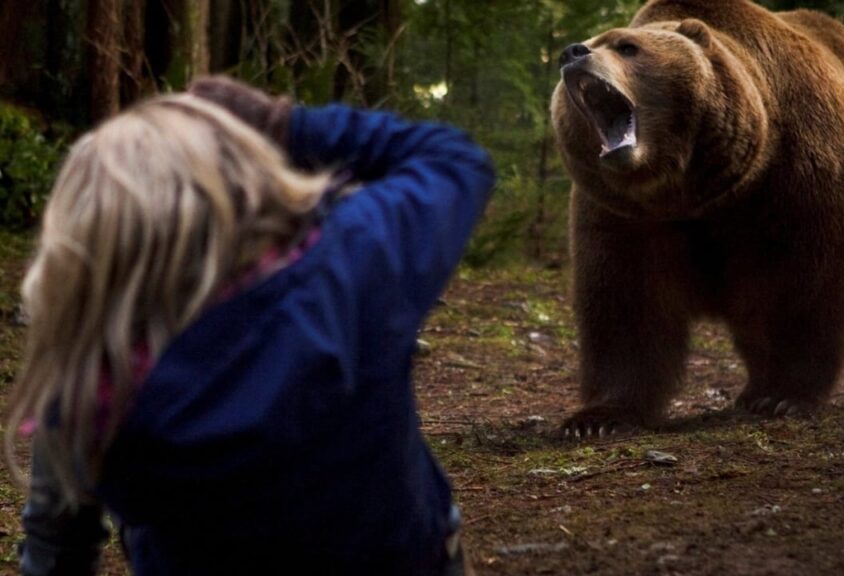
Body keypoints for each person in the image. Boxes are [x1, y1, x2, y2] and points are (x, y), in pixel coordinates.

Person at [7, 76, 495, 575]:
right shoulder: (349, 270)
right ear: (245, 183)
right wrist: (286, 123)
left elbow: (57, 548)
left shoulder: (88, 388)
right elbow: (454, 160)